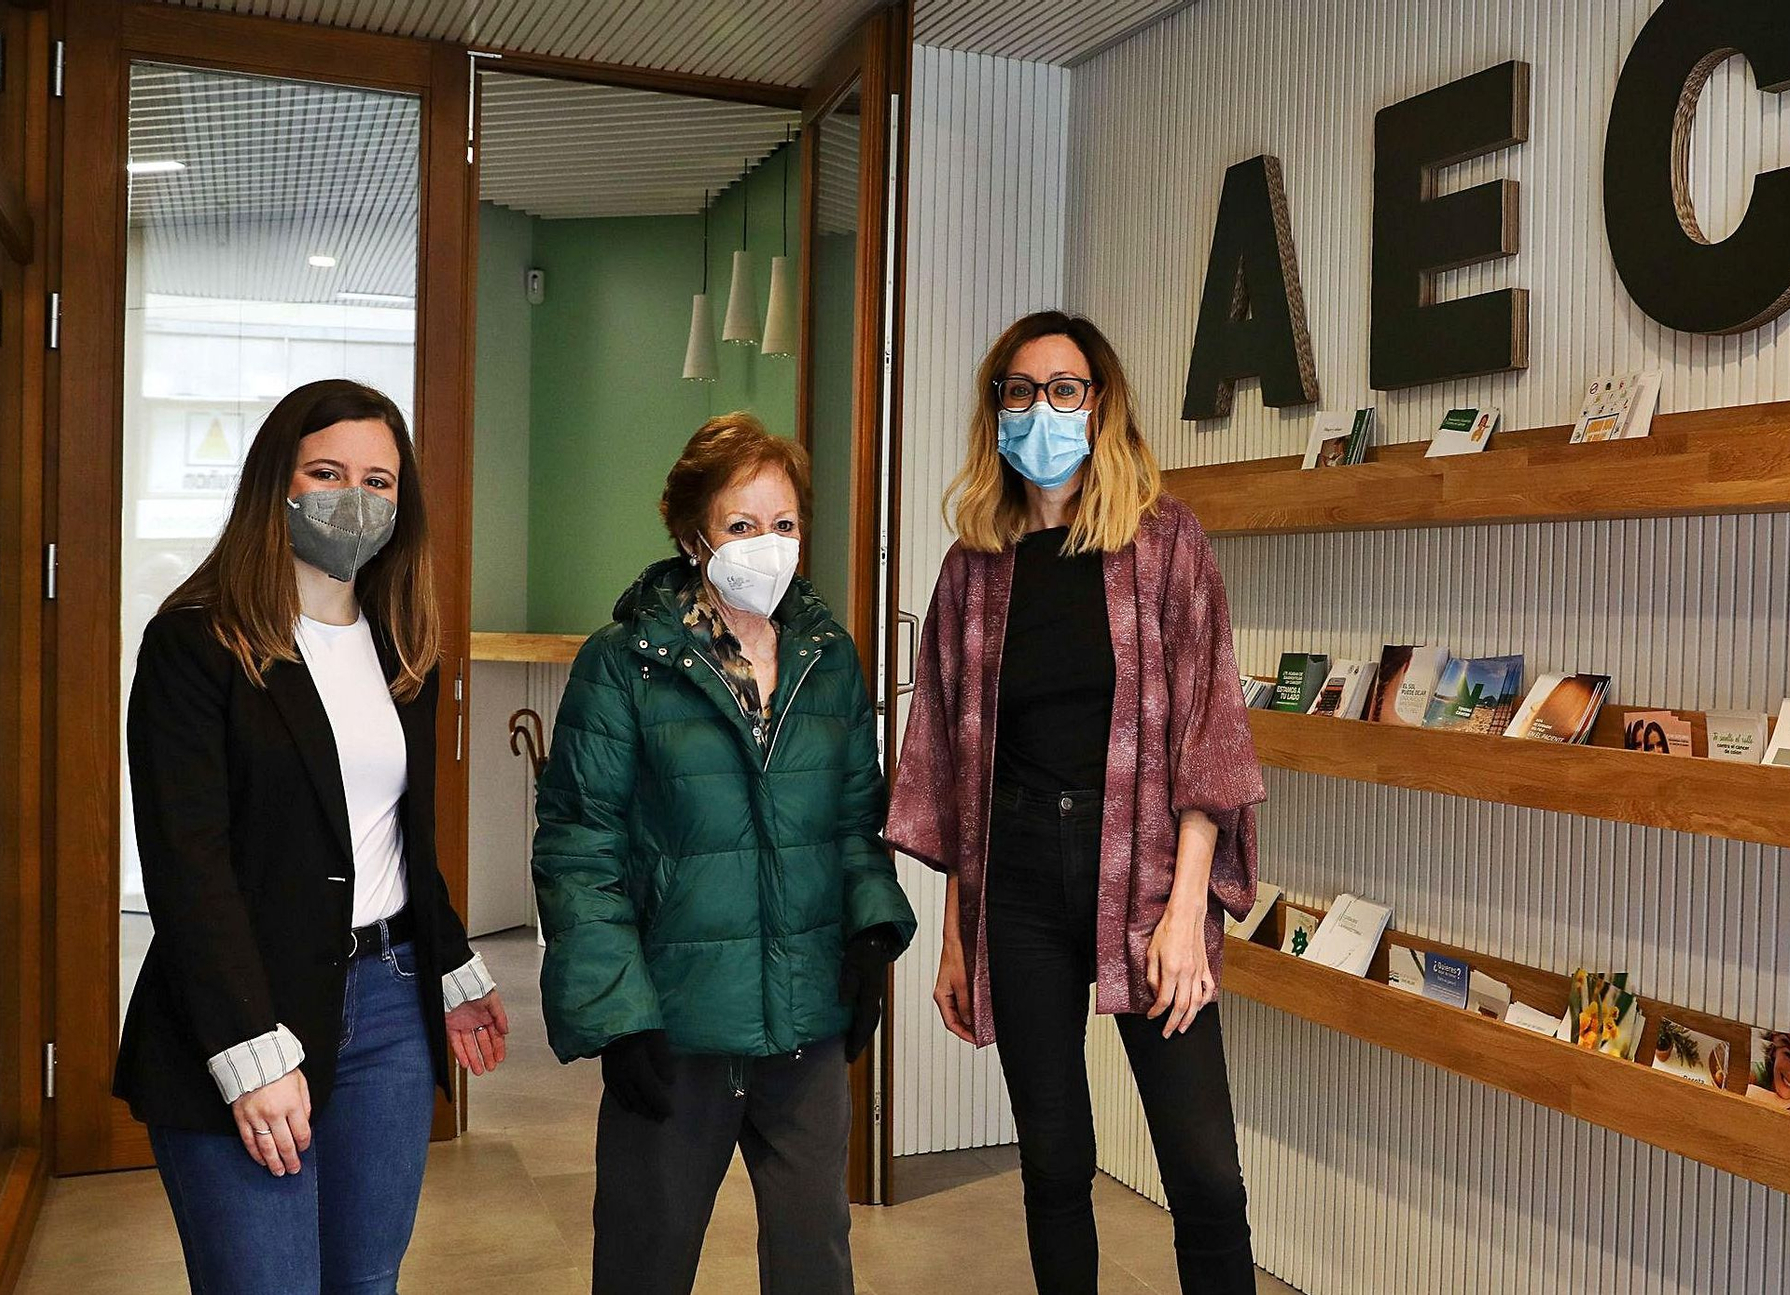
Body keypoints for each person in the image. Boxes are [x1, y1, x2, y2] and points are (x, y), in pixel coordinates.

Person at [886, 311, 1266, 1294]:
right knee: (1053, 1164)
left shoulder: (1164, 542)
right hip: (1014, 886)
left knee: (1206, 1177)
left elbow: (1207, 731)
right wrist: (958, 935)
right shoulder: (970, 568)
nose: (1041, 407)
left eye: (1063, 387)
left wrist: (1186, 913)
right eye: (1019, 389)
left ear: (1098, 405)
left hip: (1145, 882)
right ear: (995, 409)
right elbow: (955, 762)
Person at [118, 379, 511, 1294]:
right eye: (327, 472)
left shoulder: (403, 639)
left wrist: (451, 964)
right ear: (277, 485)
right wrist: (252, 1050)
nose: (356, 498)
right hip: (246, 1007)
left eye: (380, 480)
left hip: (390, 1007)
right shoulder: (196, 640)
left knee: (366, 1280)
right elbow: (187, 869)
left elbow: (399, 834)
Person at [532, 412, 917, 1295]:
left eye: (783, 525)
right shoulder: (623, 665)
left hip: (804, 1023)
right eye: (741, 526)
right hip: (674, 1027)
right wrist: (615, 1012)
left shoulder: (830, 661)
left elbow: (858, 818)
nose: (767, 546)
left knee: (814, 1261)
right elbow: (577, 846)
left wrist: (868, 937)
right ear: (690, 531)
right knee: (644, 1259)